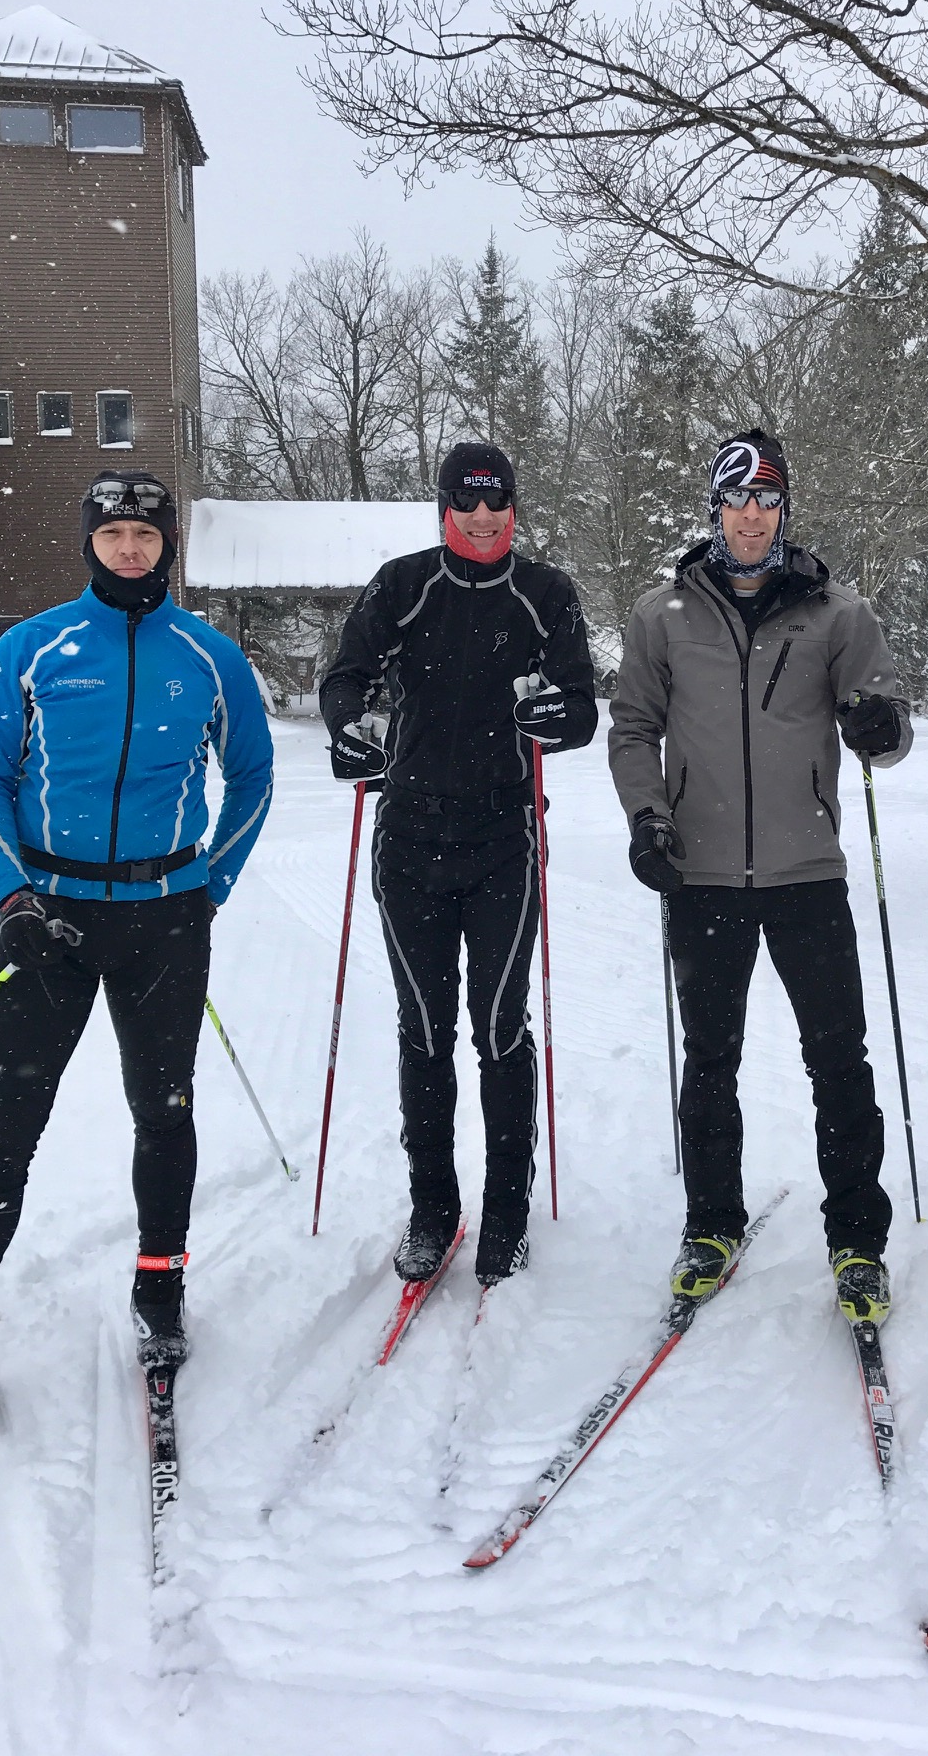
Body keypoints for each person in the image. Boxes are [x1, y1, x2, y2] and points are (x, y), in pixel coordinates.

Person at [0, 473, 274, 1432]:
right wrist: (10, 894)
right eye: (114, 533)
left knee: (164, 1106)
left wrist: (208, 889)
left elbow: (253, 774)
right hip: (48, 918)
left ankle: (159, 1287)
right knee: (4, 1120)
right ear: (90, 542)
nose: (131, 549)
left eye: (147, 534)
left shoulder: (210, 655)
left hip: (162, 915)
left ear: (169, 544)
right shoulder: (32, 649)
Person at [609, 430, 912, 1324]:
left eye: (767, 498)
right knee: (711, 1059)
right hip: (699, 874)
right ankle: (711, 1223)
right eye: (737, 498)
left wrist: (876, 725)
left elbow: (888, 731)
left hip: (807, 870)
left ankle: (857, 1241)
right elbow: (632, 728)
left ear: (785, 508)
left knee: (839, 1060)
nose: (751, 514)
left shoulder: (835, 612)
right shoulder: (662, 613)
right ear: (715, 507)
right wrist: (648, 818)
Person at [319, 442, 597, 1288]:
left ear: (515, 508)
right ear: (443, 508)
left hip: (501, 840)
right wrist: (349, 730)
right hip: (407, 840)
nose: (483, 519)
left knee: (500, 1027)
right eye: (467, 505)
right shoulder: (403, 585)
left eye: (498, 505)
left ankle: (506, 1207)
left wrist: (559, 717)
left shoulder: (545, 593)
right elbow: (345, 678)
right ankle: (434, 1206)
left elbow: (581, 705)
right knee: (426, 1030)